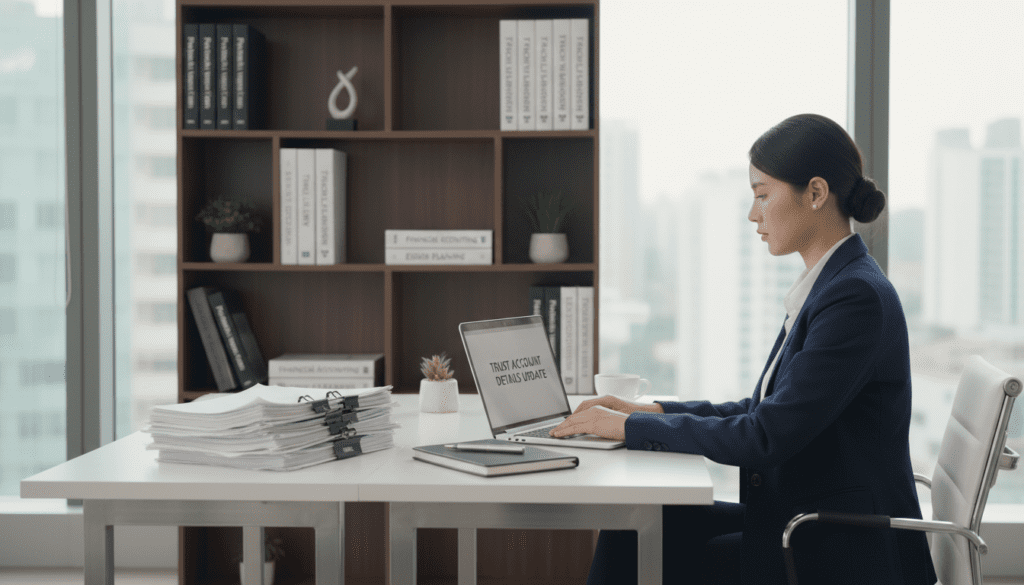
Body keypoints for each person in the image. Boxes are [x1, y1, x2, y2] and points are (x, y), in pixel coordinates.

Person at [551, 113, 936, 585]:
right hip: (804, 518)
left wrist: (628, 427)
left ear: (816, 193)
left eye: (762, 195)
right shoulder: (833, 285)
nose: (754, 214)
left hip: (836, 544)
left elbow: (765, 436)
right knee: (634, 524)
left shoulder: (853, 299)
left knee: (650, 544)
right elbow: (762, 411)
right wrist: (648, 411)